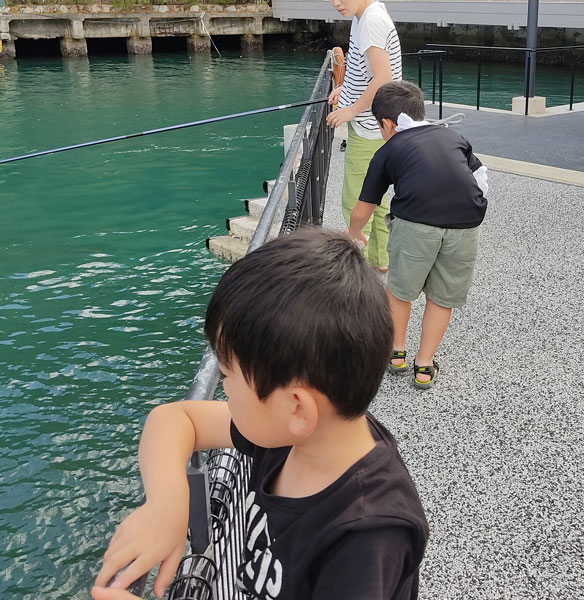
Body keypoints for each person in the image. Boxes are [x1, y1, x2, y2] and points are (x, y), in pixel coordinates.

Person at [91, 229, 429, 600]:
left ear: (297, 407)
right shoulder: (295, 437)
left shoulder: (367, 536)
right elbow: (175, 419)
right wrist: (168, 504)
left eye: (228, 375)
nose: (223, 388)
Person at [346, 81, 489, 390]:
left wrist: (354, 232)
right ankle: (424, 366)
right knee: (442, 297)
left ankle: (396, 355)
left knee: (399, 291)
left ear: (386, 123)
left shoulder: (389, 149)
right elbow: (479, 177)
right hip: (466, 223)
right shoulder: (453, 136)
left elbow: (364, 206)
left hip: (416, 223)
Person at [326, 0, 402, 272]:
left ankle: (359, 272)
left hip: (368, 126)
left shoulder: (370, 20)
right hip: (377, 123)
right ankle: (380, 261)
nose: (336, 3)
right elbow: (363, 69)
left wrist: (350, 110)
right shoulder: (364, 15)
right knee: (376, 196)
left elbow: (383, 77)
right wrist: (344, 89)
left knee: (357, 200)